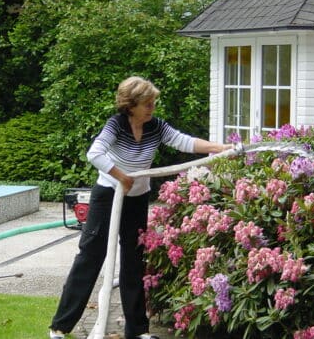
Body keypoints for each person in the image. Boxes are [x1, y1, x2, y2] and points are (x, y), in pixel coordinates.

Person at [49, 76, 232, 339]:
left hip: (136, 198)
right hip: (108, 196)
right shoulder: (116, 126)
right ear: (131, 105)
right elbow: (94, 154)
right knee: (91, 257)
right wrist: (121, 175)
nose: (152, 108)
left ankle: (137, 331)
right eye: (147, 104)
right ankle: (60, 327)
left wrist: (219, 147)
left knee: (134, 262)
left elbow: (184, 141)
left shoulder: (155, 126)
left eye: (153, 103)